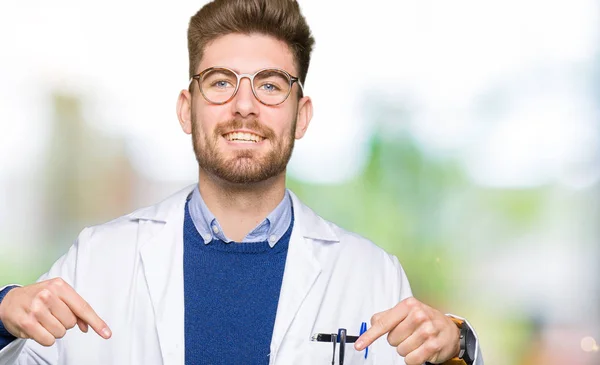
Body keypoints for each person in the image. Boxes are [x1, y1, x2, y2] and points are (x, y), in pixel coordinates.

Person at [0, 0, 484, 364]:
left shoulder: (370, 274)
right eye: (220, 81)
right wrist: (3, 311)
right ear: (187, 109)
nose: (245, 105)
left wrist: (459, 345)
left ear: (302, 115)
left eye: (271, 84)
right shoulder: (99, 260)